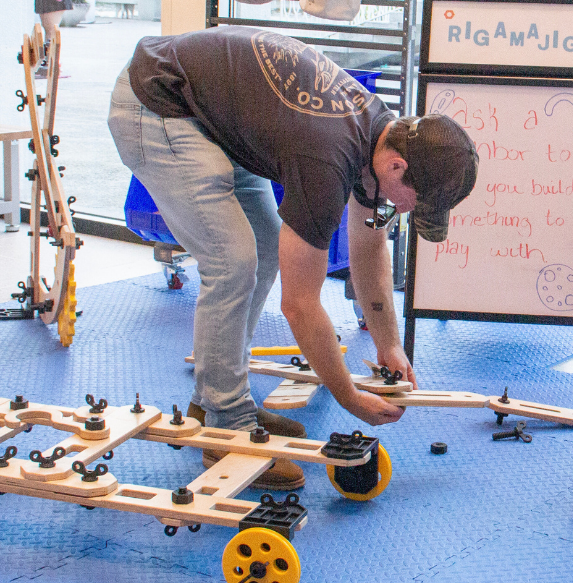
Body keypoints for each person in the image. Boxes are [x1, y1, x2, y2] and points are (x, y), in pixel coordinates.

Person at [107, 26, 479, 489]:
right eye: (413, 201)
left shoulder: (382, 135)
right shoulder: (328, 158)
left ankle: (218, 398)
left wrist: (389, 345)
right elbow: (299, 304)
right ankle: (225, 420)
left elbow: (369, 246)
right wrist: (350, 396)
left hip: (207, 110)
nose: (405, 211)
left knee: (261, 249)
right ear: (398, 168)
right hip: (158, 102)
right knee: (233, 261)